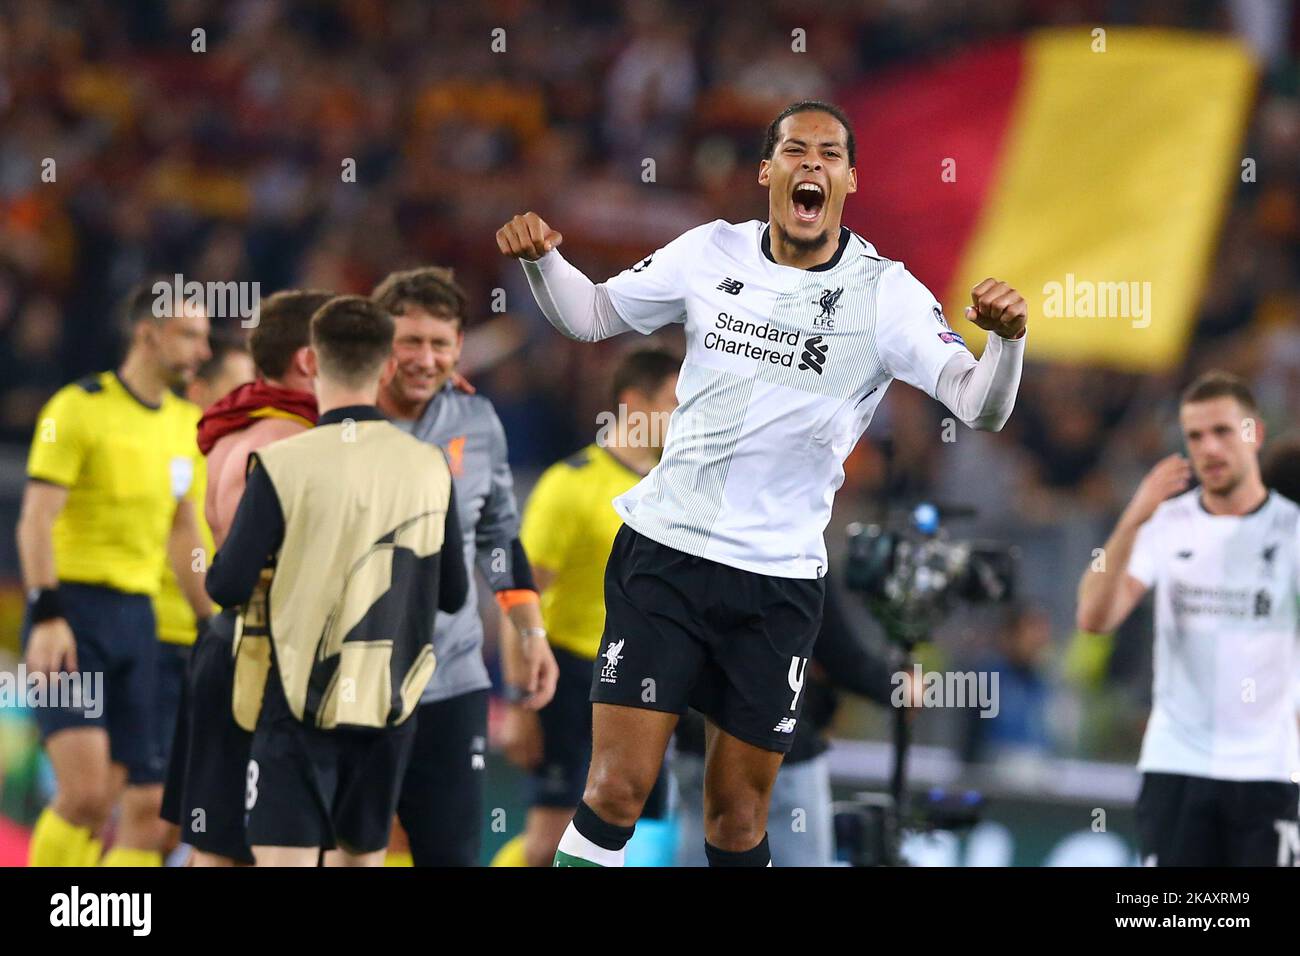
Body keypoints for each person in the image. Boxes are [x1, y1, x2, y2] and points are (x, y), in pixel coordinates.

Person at [498, 98, 1027, 866]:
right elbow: (593, 315)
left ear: (849, 181)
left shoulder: (887, 294)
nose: (811, 163)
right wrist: (542, 261)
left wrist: (1007, 343)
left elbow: (980, 407)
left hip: (775, 586)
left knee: (739, 820)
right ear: (766, 171)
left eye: (829, 154)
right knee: (615, 789)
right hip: (666, 558)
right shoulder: (709, 252)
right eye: (794, 150)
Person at [205, 295, 469, 866]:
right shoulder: (430, 466)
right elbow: (454, 595)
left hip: (296, 701)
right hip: (389, 704)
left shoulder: (284, 463)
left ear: (313, 362)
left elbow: (224, 586)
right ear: (388, 367)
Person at [17, 281, 212, 867]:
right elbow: (36, 519)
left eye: (205, 336)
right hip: (73, 613)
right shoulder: (78, 408)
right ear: (146, 334)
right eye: (189, 334)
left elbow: (184, 534)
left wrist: (210, 622)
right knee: (81, 794)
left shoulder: (186, 424)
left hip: (138, 621)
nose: (202, 350)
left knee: (135, 805)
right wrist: (47, 613)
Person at [371, 266, 557, 866]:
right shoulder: (338, 421)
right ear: (380, 343)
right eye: (411, 341)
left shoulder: (478, 424)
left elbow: (499, 536)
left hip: (452, 679)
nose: (427, 359)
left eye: (440, 344)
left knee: (449, 854)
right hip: (348, 678)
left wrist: (529, 631)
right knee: (350, 849)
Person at [1077, 370, 1300, 867]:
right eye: (1195, 436)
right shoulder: (1165, 523)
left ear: (1254, 434)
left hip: (1268, 773)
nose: (1209, 448)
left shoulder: (1291, 531)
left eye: (1223, 431)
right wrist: (1133, 516)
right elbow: (1094, 616)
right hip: (1176, 768)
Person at [160, 289, 330, 866]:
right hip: (271, 659)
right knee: (275, 851)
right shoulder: (295, 440)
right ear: (310, 359)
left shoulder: (233, 425)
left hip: (227, 647)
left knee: (217, 848)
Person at [510, 348, 680, 867]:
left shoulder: (674, 489)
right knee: (548, 838)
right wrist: (520, 703)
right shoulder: (571, 484)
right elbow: (519, 595)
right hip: (571, 677)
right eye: (676, 402)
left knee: (626, 835)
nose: (687, 415)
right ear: (633, 403)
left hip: (644, 683)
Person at [149, 339, 255, 860]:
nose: (250, 399)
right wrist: (209, 619)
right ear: (199, 392)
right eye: (236, 389)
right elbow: (183, 537)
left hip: (209, 645)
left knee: (203, 827)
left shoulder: (246, 452)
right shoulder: (183, 450)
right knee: (164, 820)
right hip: (172, 641)